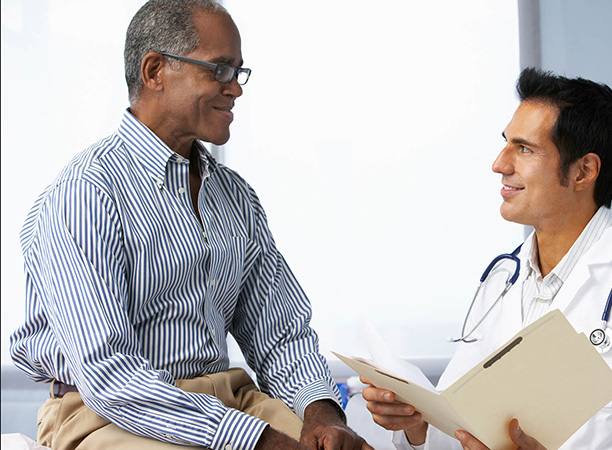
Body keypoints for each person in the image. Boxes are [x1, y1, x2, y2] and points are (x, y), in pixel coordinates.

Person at [9, 1, 371, 449]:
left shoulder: (235, 196)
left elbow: (280, 335)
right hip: (106, 412)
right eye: (220, 70)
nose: (236, 89)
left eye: (239, 72)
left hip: (229, 400)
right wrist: (257, 441)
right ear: (155, 70)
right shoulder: (86, 193)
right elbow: (108, 375)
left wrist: (323, 414)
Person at [361, 68, 612, 449]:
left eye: (524, 149)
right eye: (506, 144)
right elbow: (464, 426)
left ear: (584, 171)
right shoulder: (503, 280)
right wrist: (416, 426)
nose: (500, 164)